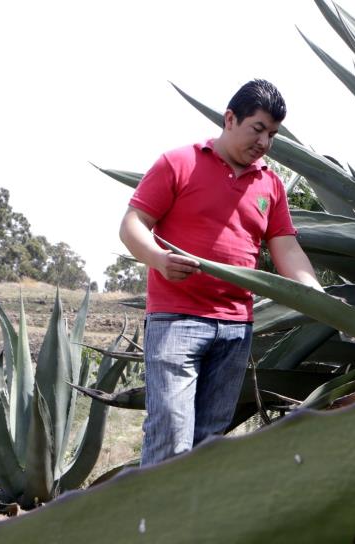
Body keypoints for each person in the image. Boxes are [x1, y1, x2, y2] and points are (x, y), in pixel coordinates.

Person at [119, 79, 322, 466]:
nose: (264, 142)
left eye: (272, 134)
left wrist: (315, 292)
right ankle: (154, 524)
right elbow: (132, 224)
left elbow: (286, 247)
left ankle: (194, 525)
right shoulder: (179, 163)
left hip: (235, 329)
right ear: (230, 119)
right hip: (176, 321)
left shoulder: (271, 184)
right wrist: (159, 259)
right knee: (171, 437)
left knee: (209, 443)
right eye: (257, 129)